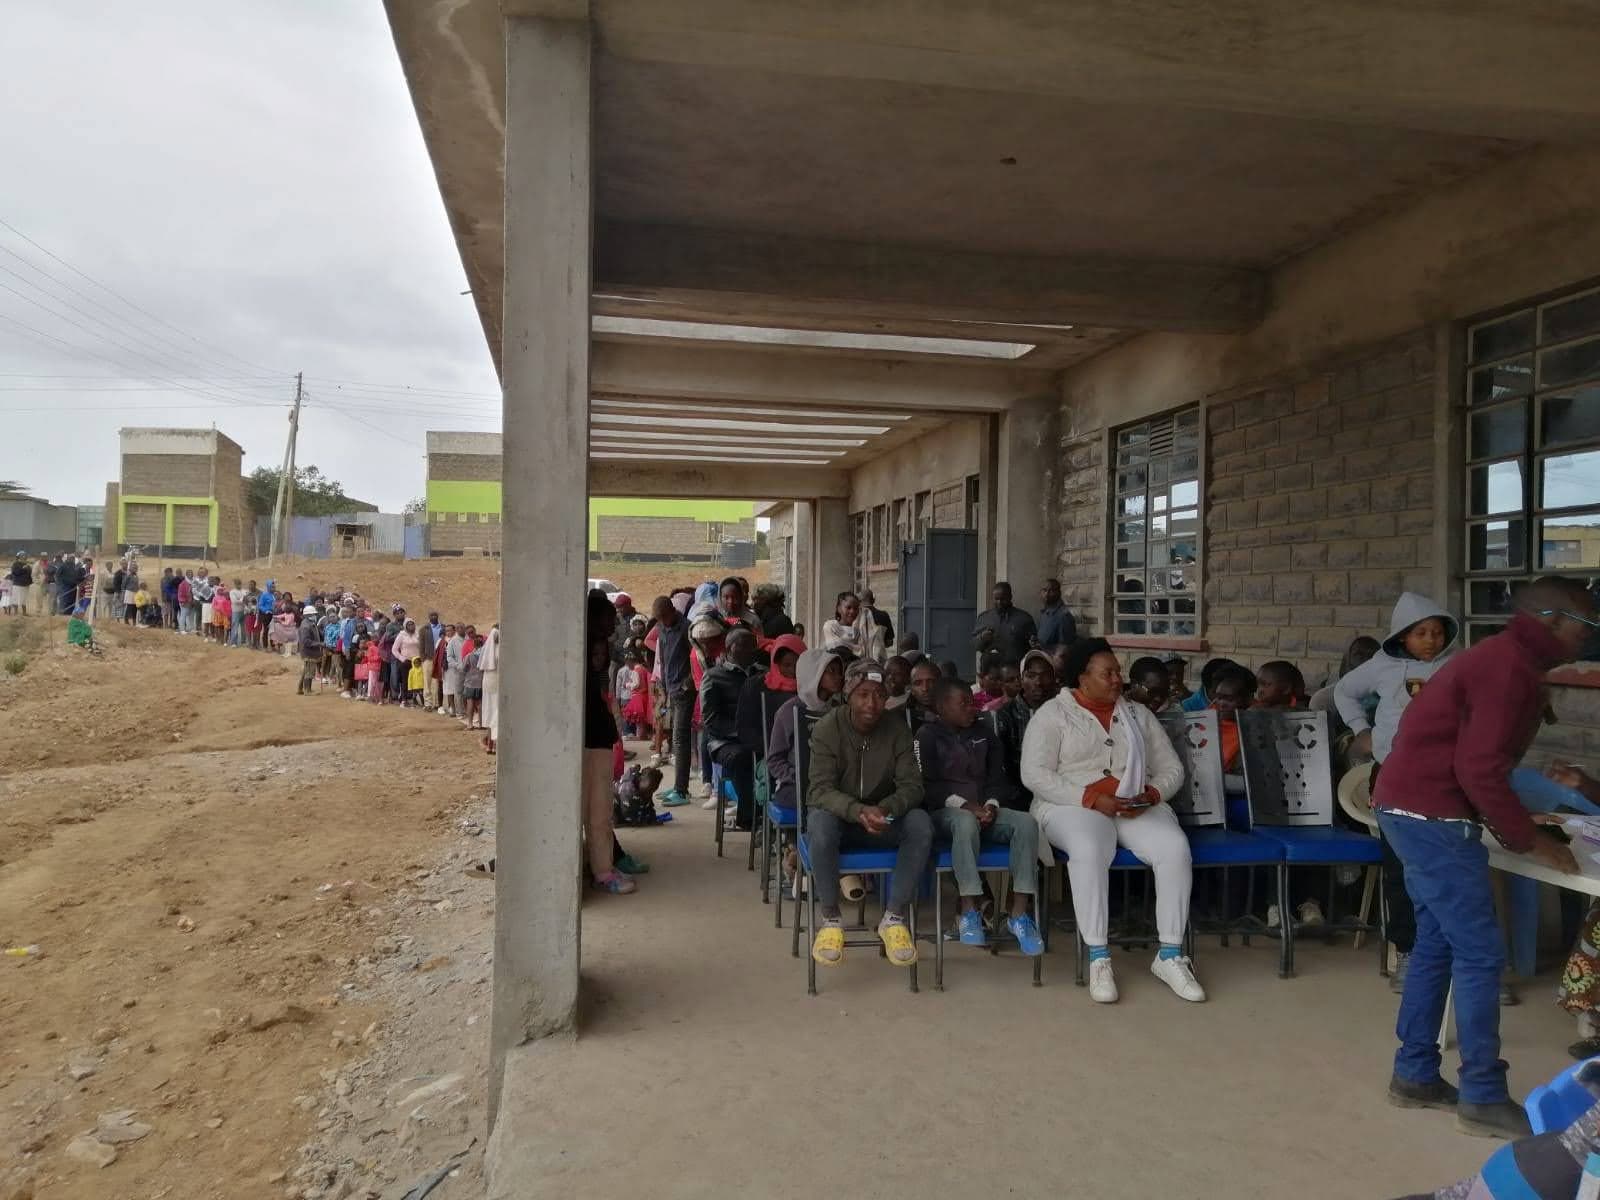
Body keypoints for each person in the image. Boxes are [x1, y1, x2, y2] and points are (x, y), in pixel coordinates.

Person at [1375, 576, 1594, 1139]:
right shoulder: (1508, 668)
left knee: (1439, 944)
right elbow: (1478, 768)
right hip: (1433, 817)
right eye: (1583, 626)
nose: (1586, 639)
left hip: (1410, 808)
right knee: (1478, 955)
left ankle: (1415, 1074)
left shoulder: (1506, 659)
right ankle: (1483, 1094)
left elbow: (1477, 763)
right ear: (1549, 621)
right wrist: (1528, 838)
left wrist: (1518, 822)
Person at [1021, 637, 1203, 1004]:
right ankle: (1099, 957)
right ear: (1082, 678)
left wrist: (1150, 794)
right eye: (1109, 673)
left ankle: (1170, 955)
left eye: (1118, 672)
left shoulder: (1137, 714)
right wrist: (1089, 797)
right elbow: (1034, 774)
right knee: (1089, 847)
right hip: (1071, 806)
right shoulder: (1053, 715)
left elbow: (1171, 769)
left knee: (1174, 847)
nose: (1118, 679)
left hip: (1133, 805)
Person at [1335, 594, 1460, 993]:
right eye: (1421, 633)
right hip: (1392, 778)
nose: (1431, 641)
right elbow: (1344, 692)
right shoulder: (1383, 665)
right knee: (1400, 869)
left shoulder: (1456, 666)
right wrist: (1362, 730)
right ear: (1402, 636)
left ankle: (1461, 956)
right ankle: (1408, 952)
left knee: (1451, 869)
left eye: (1438, 633)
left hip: (1445, 779)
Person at [805, 659, 932, 969]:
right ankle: (831, 920)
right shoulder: (828, 728)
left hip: (882, 820)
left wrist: (885, 809)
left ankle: (893, 919)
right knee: (819, 824)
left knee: (920, 823)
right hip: (842, 822)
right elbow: (818, 790)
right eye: (863, 693)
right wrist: (857, 810)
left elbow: (913, 786)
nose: (872, 703)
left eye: (878, 694)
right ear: (849, 694)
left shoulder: (897, 729)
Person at [914, 676, 1045, 953]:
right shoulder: (926, 736)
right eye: (963, 704)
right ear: (942, 707)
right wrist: (965, 806)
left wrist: (992, 805)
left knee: (1025, 822)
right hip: (945, 815)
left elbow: (998, 777)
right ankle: (969, 909)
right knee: (964, 822)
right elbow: (926, 786)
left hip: (985, 811)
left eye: (972, 703)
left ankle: (1019, 914)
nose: (971, 709)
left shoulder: (985, 733)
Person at [585, 589, 635, 894]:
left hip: (598, 739)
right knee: (597, 811)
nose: (611, 626)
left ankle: (604, 867)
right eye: (605, 620)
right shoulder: (585, 654)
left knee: (599, 811)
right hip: (589, 741)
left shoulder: (596, 653)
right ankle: (603, 872)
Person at [700, 626, 761, 829]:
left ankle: (768, 815)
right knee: (742, 757)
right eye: (745, 646)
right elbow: (710, 719)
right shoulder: (713, 676)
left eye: (754, 646)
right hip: (724, 742)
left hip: (759, 738)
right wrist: (741, 733)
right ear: (729, 648)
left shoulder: (762, 674)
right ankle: (749, 816)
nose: (752, 650)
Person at [994, 649, 1059, 810]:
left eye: (1044, 675)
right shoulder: (1006, 714)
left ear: (1054, 678)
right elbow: (1003, 763)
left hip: (1057, 790)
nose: (1038, 682)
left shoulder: (1063, 710)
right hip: (1019, 794)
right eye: (1031, 675)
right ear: (1022, 679)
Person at [649, 594, 695, 807]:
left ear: (671, 612)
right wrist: (665, 689)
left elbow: (696, 659)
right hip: (671, 690)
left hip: (684, 691)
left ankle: (682, 790)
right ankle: (678, 786)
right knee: (676, 740)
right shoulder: (663, 630)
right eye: (658, 619)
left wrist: (686, 684)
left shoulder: (687, 628)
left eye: (663, 618)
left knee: (680, 740)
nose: (661, 622)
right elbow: (665, 660)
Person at [737, 632, 805, 759]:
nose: (793, 671)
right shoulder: (756, 686)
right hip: (769, 755)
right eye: (787, 665)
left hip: (804, 755)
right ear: (776, 664)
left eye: (798, 665)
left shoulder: (810, 687)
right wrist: (776, 749)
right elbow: (746, 730)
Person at [972, 581, 1036, 665]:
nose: (999, 602)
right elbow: (975, 645)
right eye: (996, 599)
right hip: (990, 672)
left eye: (1003, 599)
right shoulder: (984, 618)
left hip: (1014, 671)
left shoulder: (1024, 618)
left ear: (1010, 597)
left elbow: (1033, 647)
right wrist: (982, 638)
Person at [1208, 665, 1256, 773]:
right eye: (1219, 698)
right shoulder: (1209, 716)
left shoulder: (1253, 726)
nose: (1221, 704)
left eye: (1229, 699)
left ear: (1248, 700)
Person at [821, 591, 870, 662]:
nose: (852, 611)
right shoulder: (830, 626)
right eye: (848, 607)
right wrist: (856, 649)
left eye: (856, 608)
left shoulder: (857, 631)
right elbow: (836, 650)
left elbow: (864, 653)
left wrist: (845, 645)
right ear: (839, 608)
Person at [1035, 577, 1077, 649]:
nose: (1047, 594)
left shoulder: (1064, 617)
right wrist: (1036, 642)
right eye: (1044, 590)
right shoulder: (1044, 613)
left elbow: (1065, 649)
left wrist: (1044, 646)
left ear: (1059, 593)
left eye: (1051, 591)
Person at [479, 625, 501, 752]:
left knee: (492, 711)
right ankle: (492, 744)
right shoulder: (498, 649)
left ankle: (491, 745)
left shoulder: (487, 648)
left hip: (490, 681)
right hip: (494, 682)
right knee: (494, 711)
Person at [905, 658, 941, 733]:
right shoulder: (903, 718)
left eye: (931, 682)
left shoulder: (956, 713)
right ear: (911, 689)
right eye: (918, 683)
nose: (925, 688)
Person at [296, 604, 322, 695]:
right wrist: (319, 644)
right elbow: (306, 641)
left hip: (309, 651)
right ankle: (308, 690)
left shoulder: (310, 623)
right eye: (312, 614)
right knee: (309, 672)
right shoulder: (306, 626)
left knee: (306, 670)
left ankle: (300, 688)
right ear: (307, 615)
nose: (314, 616)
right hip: (309, 652)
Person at [419, 613, 441, 711]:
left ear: (438, 617)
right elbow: (421, 645)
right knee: (427, 681)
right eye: (431, 616)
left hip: (438, 659)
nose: (433, 617)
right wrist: (423, 658)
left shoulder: (443, 628)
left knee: (436, 682)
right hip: (428, 658)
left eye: (435, 615)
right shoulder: (424, 629)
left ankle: (436, 703)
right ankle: (428, 703)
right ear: (429, 618)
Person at [442, 623, 464, 717]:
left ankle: (461, 709)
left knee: (459, 689)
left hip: (460, 668)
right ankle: (452, 707)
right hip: (448, 668)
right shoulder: (442, 641)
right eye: (446, 630)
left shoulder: (460, 639)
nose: (448, 632)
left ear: (454, 630)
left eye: (450, 630)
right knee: (449, 688)